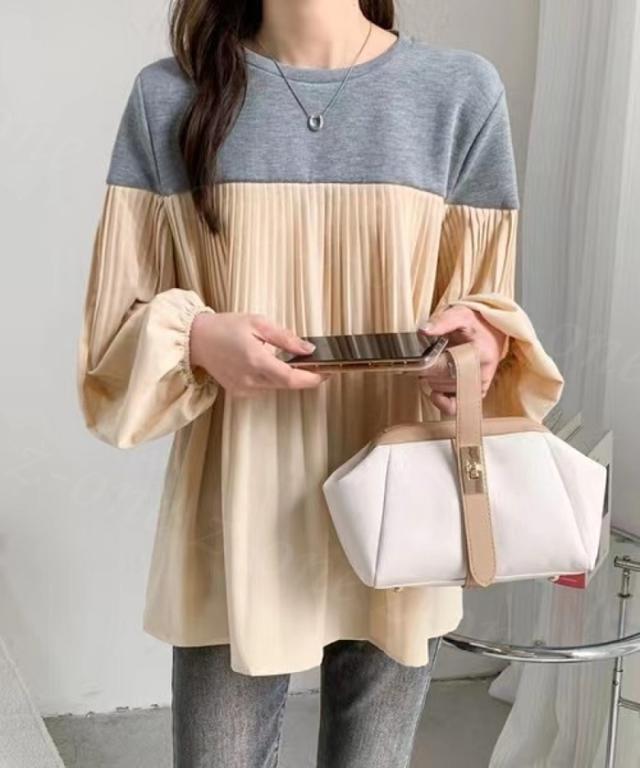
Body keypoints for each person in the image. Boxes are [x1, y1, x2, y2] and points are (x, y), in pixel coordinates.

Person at [76, 1, 564, 765]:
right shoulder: (170, 95)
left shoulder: (458, 92)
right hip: (238, 503)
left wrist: (475, 348)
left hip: (406, 499)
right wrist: (199, 338)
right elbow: (112, 336)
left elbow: (483, 303)